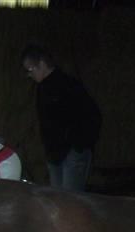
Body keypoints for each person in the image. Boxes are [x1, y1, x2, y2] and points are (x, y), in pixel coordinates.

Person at [21, 44, 101, 191]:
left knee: (70, 202)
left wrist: (78, 146)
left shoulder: (68, 85)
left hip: (72, 154)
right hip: (54, 156)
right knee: (57, 202)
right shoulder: (41, 89)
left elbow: (93, 116)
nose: (29, 75)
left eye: (30, 70)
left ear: (42, 64)